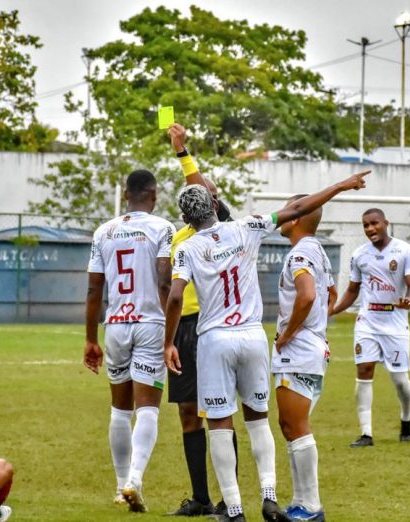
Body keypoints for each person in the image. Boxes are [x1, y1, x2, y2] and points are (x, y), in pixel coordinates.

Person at [164, 171, 369, 522]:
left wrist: (169, 341)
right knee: (258, 420)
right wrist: (338, 186)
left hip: (214, 339)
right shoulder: (248, 226)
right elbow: (298, 209)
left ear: (185, 219)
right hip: (253, 336)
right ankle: (270, 497)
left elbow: (175, 295)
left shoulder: (185, 248)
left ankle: (235, 509)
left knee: (219, 424)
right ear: (215, 204)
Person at [84, 169, 176, 513]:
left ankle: (120, 484)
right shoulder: (162, 228)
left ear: (126, 195)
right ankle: (134, 480)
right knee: (148, 408)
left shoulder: (103, 232)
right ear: (153, 196)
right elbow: (165, 281)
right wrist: (171, 333)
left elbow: (94, 289)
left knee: (119, 410)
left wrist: (91, 339)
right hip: (151, 324)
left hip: (116, 326)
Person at [164, 124, 236, 517]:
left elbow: (201, 185)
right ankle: (201, 498)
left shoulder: (223, 228)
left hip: (213, 327)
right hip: (184, 330)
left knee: (219, 412)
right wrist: (169, 337)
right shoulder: (178, 238)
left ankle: (230, 500)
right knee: (187, 412)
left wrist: (182, 152)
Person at [331, 208, 410, 448]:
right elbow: (352, 291)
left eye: (374, 224)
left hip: (395, 323)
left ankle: (406, 417)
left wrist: (409, 300)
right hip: (367, 322)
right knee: (364, 371)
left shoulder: (405, 251)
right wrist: (332, 311)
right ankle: (366, 433)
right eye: (365, 225)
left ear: (385, 223)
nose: (370, 229)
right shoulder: (359, 255)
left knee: (400, 380)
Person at [273, 195, 337, 522]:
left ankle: (311, 506)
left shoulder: (300, 252)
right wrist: (317, 329)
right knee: (290, 425)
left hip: (298, 351)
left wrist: (288, 334)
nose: (282, 215)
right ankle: (300, 502)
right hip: (314, 348)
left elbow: (309, 295)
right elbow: (332, 295)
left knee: (295, 425)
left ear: (296, 219)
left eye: (288, 210)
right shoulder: (319, 251)